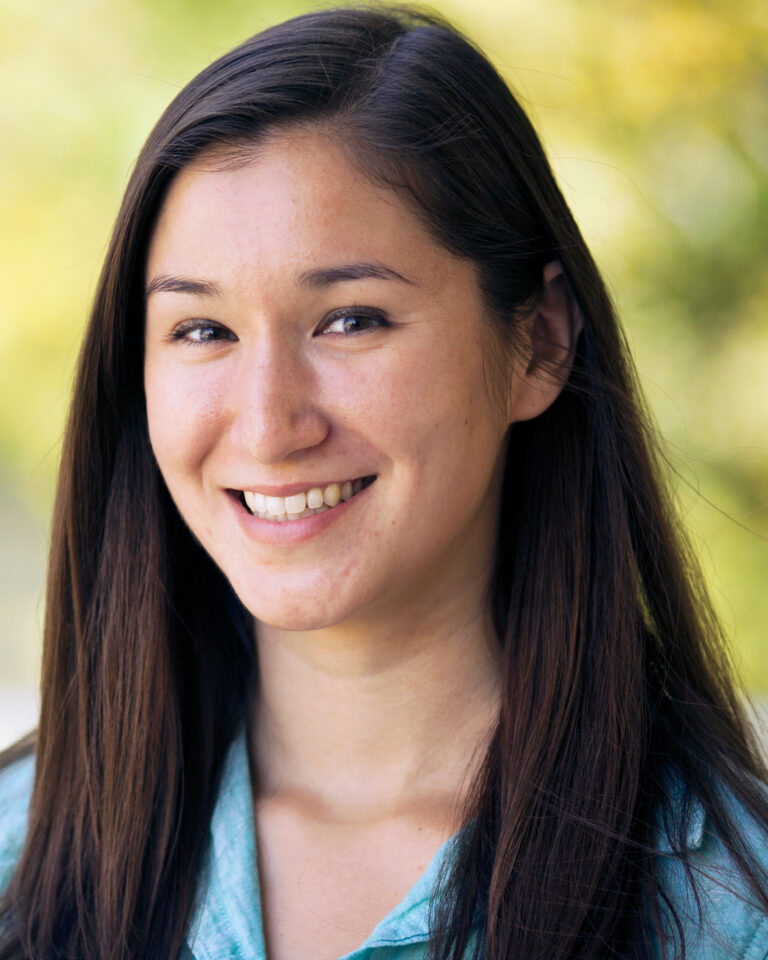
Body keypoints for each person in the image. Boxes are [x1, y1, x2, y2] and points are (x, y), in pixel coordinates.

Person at [1, 5, 767, 959]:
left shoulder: (732, 910)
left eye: (351, 320)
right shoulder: (18, 864)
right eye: (202, 330)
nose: (268, 425)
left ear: (540, 340)